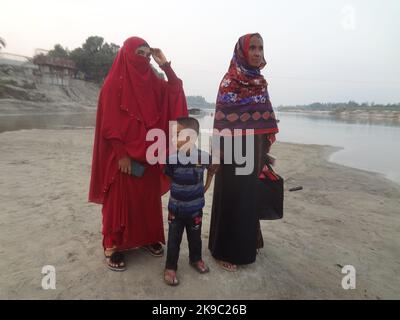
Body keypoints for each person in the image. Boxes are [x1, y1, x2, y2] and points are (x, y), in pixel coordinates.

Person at [89, 37, 188, 271]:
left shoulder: (154, 82)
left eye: (146, 54)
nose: (143, 58)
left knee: (147, 200)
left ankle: (146, 239)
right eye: (139, 53)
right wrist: (122, 154)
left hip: (150, 154)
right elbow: (109, 123)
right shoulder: (113, 84)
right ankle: (112, 246)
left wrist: (165, 65)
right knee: (119, 201)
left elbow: (174, 91)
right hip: (122, 156)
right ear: (126, 54)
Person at [208, 33, 279, 272]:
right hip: (233, 152)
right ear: (242, 52)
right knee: (231, 199)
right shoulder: (230, 81)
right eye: (253, 48)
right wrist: (216, 155)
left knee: (249, 199)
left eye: (261, 48)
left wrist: (263, 151)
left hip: (254, 150)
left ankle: (248, 243)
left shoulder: (260, 82)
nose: (258, 53)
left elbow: (266, 118)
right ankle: (223, 251)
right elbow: (221, 121)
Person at [163, 117, 215, 286]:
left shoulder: (203, 156)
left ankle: (195, 259)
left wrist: (207, 183)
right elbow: (169, 174)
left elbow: (213, 168)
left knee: (195, 238)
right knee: (173, 239)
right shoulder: (171, 158)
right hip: (175, 209)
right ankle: (170, 267)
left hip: (195, 209)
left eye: (177, 134)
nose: (174, 138)